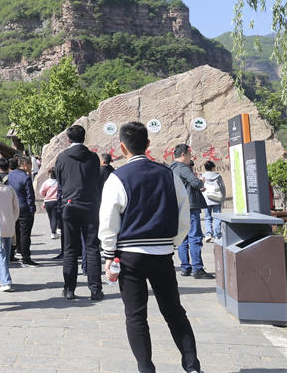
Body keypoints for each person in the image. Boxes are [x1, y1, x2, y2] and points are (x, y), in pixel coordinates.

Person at [98, 122, 199, 373]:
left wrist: (108, 254)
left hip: (130, 257)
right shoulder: (169, 174)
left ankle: (146, 368)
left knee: (136, 316)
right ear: (148, 144)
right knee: (174, 312)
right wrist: (171, 243)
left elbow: (109, 220)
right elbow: (182, 215)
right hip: (162, 254)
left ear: (122, 147)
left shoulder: (117, 178)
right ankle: (192, 366)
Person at [55, 124, 103, 300]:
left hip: (69, 205)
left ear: (68, 139)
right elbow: (96, 179)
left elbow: (60, 181)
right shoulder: (93, 157)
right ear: (85, 138)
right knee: (92, 248)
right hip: (90, 205)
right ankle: (95, 289)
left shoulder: (62, 157)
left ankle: (69, 289)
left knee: (69, 249)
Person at [170, 144, 213, 279]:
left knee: (183, 237)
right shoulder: (182, 167)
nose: (190, 157)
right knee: (195, 237)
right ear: (183, 154)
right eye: (189, 154)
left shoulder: (171, 168)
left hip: (178, 206)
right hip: (190, 206)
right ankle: (198, 268)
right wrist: (201, 182)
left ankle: (185, 267)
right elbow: (195, 182)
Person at [7, 157, 37, 266]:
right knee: (25, 233)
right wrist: (32, 209)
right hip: (24, 207)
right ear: (25, 165)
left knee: (14, 232)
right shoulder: (26, 177)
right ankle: (26, 256)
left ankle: (10, 254)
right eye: (29, 164)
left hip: (12, 207)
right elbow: (30, 195)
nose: (30, 167)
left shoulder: (10, 175)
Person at [201, 160, 226, 242]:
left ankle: (208, 234)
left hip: (206, 199)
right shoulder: (218, 176)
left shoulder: (203, 177)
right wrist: (223, 198)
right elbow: (222, 187)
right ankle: (217, 235)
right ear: (213, 167)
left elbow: (200, 188)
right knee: (217, 217)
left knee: (207, 217)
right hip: (216, 199)